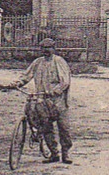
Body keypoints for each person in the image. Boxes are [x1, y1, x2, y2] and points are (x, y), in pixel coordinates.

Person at [13, 36, 73, 164]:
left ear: (54, 48)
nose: (46, 50)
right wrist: (19, 82)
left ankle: (66, 153)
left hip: (58, 101)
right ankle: (54, 153)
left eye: (49, 48)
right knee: (45, 126)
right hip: (43, 100)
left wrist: (56, 90)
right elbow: (27, 75)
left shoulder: (59, 62)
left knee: (64, 128)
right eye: (44, 48)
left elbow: (65, 81)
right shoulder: (37, 62)